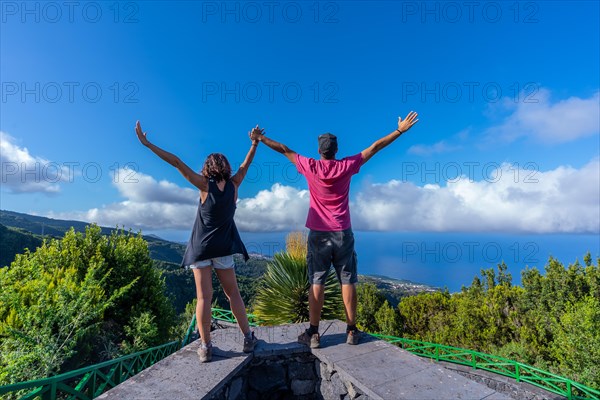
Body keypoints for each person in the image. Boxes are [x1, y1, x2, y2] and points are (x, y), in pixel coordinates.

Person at [250, 112, 419, 348]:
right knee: (348, 280)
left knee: (316, 280)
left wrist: (259, 139)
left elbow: (284, 149)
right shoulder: (347, 166)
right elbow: (375, 147)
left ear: (319, 151)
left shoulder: (310, 166)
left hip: (318, 233)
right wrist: (399, 131)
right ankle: (351, 331)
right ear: (336, 150)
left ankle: (314, 333)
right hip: (343, 232)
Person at [135, 121, 261, 362]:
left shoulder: (204, 186)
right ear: (225, 167)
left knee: (204, 297)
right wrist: (254, 142)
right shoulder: (235, 185)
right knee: (233, 294)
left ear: (207, 168)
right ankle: (247, 338)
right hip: (223, 248)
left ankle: (205, 347)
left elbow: (176, 163)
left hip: (201, 249)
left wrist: (148, 144)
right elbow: (247, 163)